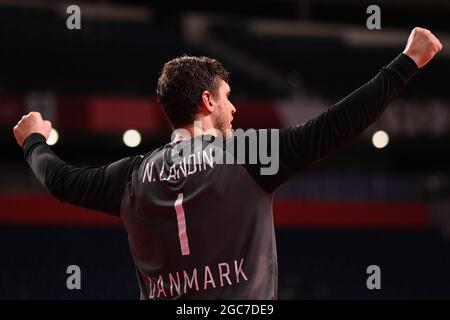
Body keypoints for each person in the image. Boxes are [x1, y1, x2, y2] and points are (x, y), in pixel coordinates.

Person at [13, 27, 442, 299]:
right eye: (227, 98)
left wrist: (33, 140)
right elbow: (335, 126)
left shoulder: (131, 177)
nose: (234, 109)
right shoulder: (246, 154)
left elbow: (60, 180)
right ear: (207, 101)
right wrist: (408, 62)